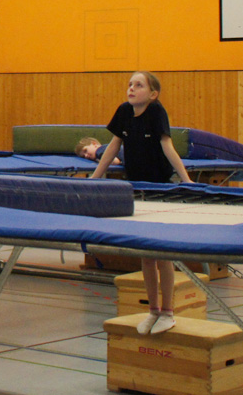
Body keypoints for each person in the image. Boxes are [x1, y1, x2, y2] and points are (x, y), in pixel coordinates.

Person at [89, 71, 191, 336]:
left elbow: (167, 146)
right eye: (130, 84)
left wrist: (187, 180)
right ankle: (153, 311)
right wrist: (94, 179)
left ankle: (168, 313)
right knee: (145, 254)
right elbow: (113, 146)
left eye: (139, 85)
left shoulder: (156, 112)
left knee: (162, 254)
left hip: (159, 188)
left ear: (153, 94)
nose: (131, 89)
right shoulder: (124, 111)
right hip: (135, 189)